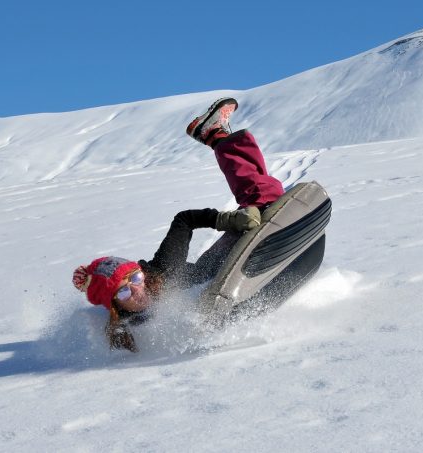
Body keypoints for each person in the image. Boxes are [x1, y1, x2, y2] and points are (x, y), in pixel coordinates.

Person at [72, 98, 284, 351]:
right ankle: (216, 134)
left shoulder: (163, 270)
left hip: (223, 264)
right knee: (267, 199)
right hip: (222, 287)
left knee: (266, 202)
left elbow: (184, 220)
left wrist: (228, 220)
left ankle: (215, 133)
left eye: (136, 278)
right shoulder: (125, 328)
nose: (137, 291)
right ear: (116, 308)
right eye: (125, 293)